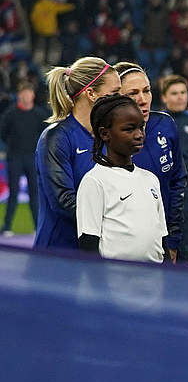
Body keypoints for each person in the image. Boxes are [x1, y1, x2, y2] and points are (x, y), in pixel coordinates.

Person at [34, 57, 121, 250]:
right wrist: (116, 223)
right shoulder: (56, 138)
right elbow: (63, 201)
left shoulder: (109, 137)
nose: (120, 100)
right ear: (91, 93)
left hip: (96, 252)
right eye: (114, 93)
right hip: (59, 254)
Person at [75, 95, 167, 263]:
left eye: (141, 127)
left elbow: (162, 235)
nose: (139, 135)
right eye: (129, 129)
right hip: (115, 282)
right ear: (105, 133)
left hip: (154, 281)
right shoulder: (95, 181)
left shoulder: (151, 179)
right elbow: (88, 242)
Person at [114, 62, 185, 262]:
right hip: (121, 246)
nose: (143, 100)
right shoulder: (105, 136)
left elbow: (177, 180)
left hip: (162, 240)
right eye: (133, 93)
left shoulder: (165, 124)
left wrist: (173, 240)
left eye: (147, 91)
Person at [161, 74, 188, 261]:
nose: (180, 97)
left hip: (187, 187)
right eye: (174, 93)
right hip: (163, 186)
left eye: (183, 92)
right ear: (164, 97)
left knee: (186, 239)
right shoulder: (156, 122)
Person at [1, 82, 49, 236]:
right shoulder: (10, 114)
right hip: (14, 157)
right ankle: (7, 227)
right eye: (24, 93)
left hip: (32, 157)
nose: (27, 96)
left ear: (33, 95)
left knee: (35, 194)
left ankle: (38, 227)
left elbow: (45, 136)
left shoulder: (40, 114)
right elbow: (3, 133)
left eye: (29, 93)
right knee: (13, 193)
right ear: (19, 95)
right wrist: (11, 146)